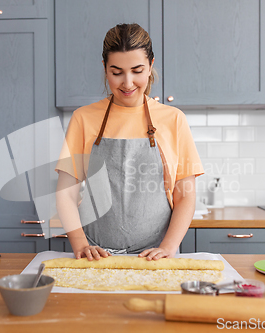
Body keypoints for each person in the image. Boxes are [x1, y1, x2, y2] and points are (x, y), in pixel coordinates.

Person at [55, 23, 203, 261]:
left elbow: (185, 194)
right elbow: (66, 193)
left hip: (155, 255)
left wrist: (168, 247)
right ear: (104, 68)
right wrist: (81, 244)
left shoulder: (173, 119)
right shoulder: (83, 118)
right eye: (117, 72)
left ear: (150, 66)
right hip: (95, 256)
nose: (127, 82)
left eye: (137, 70)